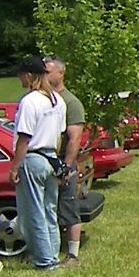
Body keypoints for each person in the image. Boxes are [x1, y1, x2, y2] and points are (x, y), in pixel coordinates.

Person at [6, 55, 66, 270]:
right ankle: (53, 253)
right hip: (51, 158)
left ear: (30, 75)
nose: (20, 79)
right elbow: (59, 135)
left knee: (34, 212)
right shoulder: (56, 100)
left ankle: (44, 260)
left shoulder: (30, 101)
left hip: (32, 158)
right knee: (50, 210)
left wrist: (14, 167)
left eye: (21, 75)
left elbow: (24, 137)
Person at [46, 58, 88, 264]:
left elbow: (74, 138)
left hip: (63, 163)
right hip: (47, 161)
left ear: (61, 74)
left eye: (48, 71)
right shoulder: (44, 99)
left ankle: (73, 254)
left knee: (69, 207)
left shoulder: (71, 103)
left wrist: (66, 167)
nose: (44, 75)